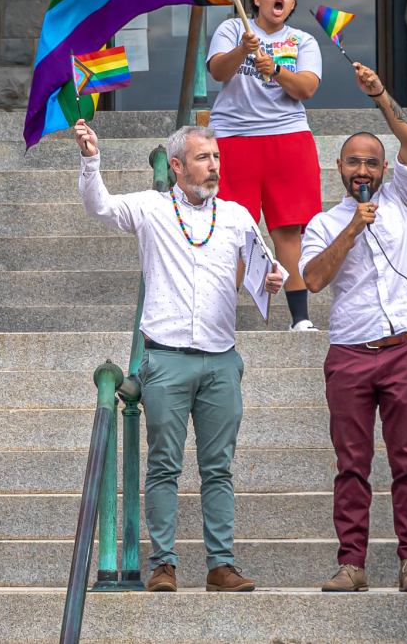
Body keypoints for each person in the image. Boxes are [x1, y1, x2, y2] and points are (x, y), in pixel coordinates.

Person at [75, 119, 284, 594]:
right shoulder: (151, 207)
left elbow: (267, 266)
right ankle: (162, 565)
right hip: (166, 359)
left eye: (216, 159)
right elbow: (99, 206)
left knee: (218, 467)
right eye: (203, 159)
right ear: (175, 166)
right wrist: (91, 158)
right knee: (164, 464)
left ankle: (221, 565)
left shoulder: (235, 215)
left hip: (221, 358)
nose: (213, 167)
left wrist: (272, 279)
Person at [300, 63, 407, 594]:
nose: (363, 170)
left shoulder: (404, 199)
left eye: (372, 162)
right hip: (351, 354)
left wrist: (380, 94)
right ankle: (352, 563)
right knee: (352, 464)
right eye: (354, 161)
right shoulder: (323, 223)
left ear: (383, 169)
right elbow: (312, 279)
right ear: (338, 166)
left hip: (405, 348)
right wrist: (353, 229)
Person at [207, 0, 322, 332]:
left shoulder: (303, 41)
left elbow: (306, 88)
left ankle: (300, 318)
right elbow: (217, 72)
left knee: (288, 230)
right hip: (233, 138)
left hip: (287, 139)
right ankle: (219, 315)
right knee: (234, 229)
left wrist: (274, 70)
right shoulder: (231, 30)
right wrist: (244, 47)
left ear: (291, 4)